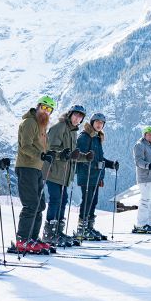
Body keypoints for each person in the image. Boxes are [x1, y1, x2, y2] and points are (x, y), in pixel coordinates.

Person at [9, 95, 56, 255]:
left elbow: (43, 149)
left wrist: (54, 154)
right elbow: (25, 146)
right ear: (38, 107)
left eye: (49, 109)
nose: (46, 111)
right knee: (31, 204)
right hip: (26, 167)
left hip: (37, 169)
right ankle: (22, 240)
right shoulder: (29, 122)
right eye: (44, 107)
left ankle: (33, 238)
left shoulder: (42, 126)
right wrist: (41, 156)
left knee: (40, 205)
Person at [42, 105, 91, 247]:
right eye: (76, 115)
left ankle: (58, 231)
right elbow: (50, 148)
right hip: (53, 171)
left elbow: (72, 155)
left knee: (63, 200)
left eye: (80, 117)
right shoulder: (60, 127)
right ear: (70, 115)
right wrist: (66, 154)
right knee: (56, 200)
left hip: (65, 173)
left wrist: (85, 157)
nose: (78, 118)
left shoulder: (73, 131)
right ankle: (49, 233)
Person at [75, 113, 119, 241]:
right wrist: (91, 165)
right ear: (92, 122)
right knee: (87, 200)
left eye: (102, 123)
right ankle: (82, 229)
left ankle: (89, 228)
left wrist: (110, 164)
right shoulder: (85, 137)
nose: (99, 124)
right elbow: (80, 155)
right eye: (97, 122)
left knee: (93, 202)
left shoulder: (97, 138)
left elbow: (99, 158)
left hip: (95, 175)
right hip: (87, 174)